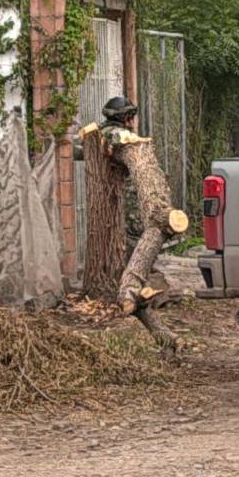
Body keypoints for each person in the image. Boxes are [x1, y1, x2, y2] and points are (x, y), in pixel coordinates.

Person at [79, 96, 189, 350]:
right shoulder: (119, 138)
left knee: (134, 269)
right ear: (128, 118)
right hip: (130, 221)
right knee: (134, 263)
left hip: (125, 221)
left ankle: (135, 298)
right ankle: (131, 294)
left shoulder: (103, 136)